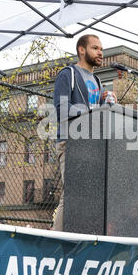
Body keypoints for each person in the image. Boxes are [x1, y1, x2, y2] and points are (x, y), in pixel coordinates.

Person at [52, 34, 117, 231]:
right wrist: (94, 110)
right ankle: (54, 241)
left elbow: (95, 116)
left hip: (90, 144)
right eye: (95, 48)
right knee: (70, 194)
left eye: (101, 49)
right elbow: (62, 109)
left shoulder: (97, 80)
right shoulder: (68, 74)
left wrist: (107, 104)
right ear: (82, 50)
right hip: (70, 142)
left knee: (89, 195)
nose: (100, 52)